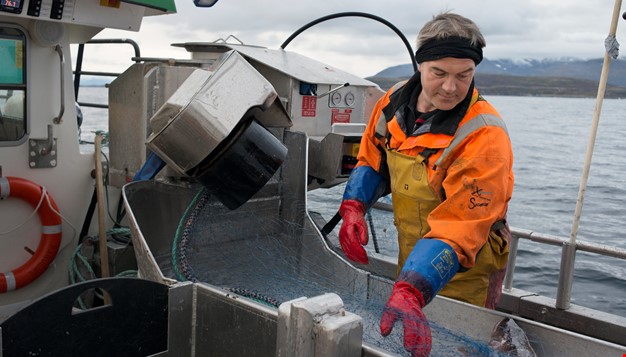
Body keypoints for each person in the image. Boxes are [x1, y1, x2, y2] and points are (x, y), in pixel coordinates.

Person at [337, 12, 514, 356]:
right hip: (413, 259)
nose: (451, 87)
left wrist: (412, 289)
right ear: (420, 65)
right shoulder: (392, 103)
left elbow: (461, 225)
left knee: (457, 347)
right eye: (439, 73)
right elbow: (373, 159)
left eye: (464, 75)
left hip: (465, 269)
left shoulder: (485, 135)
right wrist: (354, 206)